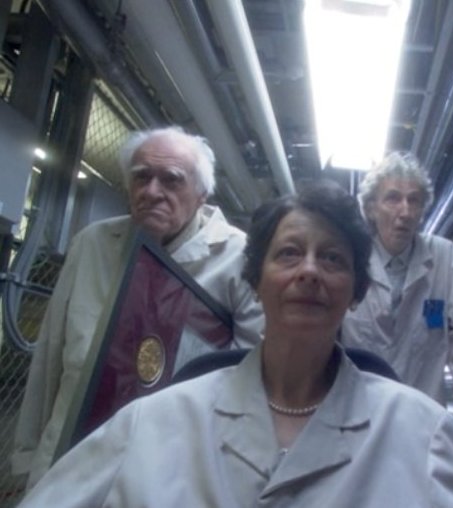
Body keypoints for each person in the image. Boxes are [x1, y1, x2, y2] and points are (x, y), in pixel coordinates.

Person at [18, 180, 453, 507]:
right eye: (289, 253)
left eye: (333, 259)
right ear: (255, 281)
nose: (310, 271)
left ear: (357, 291)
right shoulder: (154, 421)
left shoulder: (425, 431)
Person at [13, 126, 264, 488]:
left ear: (201, 195)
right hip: (71, 449)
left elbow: (249, 381)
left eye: (171, 180)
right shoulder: (92, 244)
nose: (152, 191)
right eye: (141, 177)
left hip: (172, 463)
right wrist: (26, 456)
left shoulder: (239, 259)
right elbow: (50, 356)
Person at [341, 152, 453, 445]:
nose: (405, 211)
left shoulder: (443, 256)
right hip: (355, 419)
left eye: (414, 200)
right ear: (371, 208)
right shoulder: (349, 259)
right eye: (393, 198)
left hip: (423, 421)